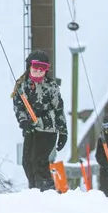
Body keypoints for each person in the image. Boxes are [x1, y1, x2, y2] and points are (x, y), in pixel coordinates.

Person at [12, 51, 68, 191]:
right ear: (29, 67)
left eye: (42, 69)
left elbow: (59, 109)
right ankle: (34, 189)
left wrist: (63, 132)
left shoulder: (51, 86)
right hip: (31, 128)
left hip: (48, 129)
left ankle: (47, 190)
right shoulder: (22, 86)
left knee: (39, 162)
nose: (38, 72)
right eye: (35, 68)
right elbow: (19, 107)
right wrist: (24, 122)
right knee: (27, 162)